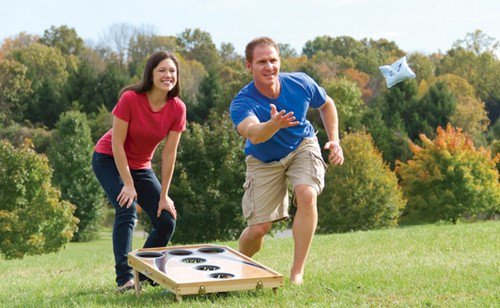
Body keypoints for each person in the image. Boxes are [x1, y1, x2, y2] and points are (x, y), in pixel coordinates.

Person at [229, 37, 344, 285]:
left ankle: (297, 273)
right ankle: (240, 267)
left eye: (273, 60)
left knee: (306, 193)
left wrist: (335, 140)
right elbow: (253, 134)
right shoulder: (242, 102)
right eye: (262, 62)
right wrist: (272, 125)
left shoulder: (300, 83)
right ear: (249, 66)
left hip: (302, 145)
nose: (269, 66)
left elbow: (327, 104)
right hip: (263, 159)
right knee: (259, 229)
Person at [92, 51, 186, 292]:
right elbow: (117, 144)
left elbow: (169, 154)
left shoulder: (177, 108)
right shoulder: (131, 98)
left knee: (166, 221)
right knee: (126, 207)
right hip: (109, 159)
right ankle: (124, 278)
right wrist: (128, 183)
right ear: (151, 74)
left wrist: (164, 195)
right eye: (162, 70)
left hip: (141, 165)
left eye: (172, 71)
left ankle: (142, 273)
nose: (168, 75)